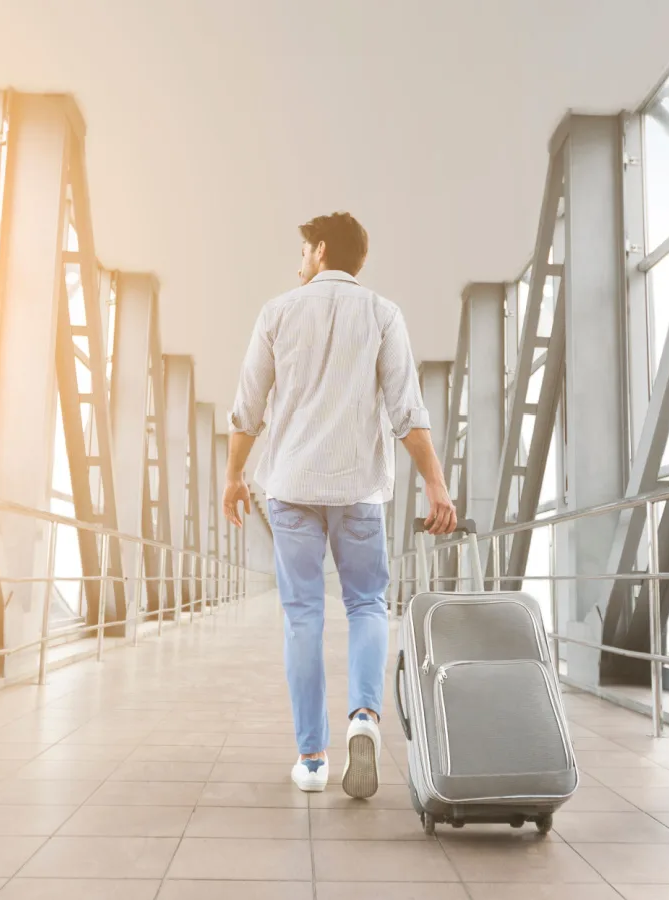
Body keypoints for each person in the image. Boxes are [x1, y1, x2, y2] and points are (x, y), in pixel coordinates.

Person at [223, 211, 457, 796]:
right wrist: (436, 484)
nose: (298, 262)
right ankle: (364, 718)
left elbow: (248, 408)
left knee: (302, 616)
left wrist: (233, 477)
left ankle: (310, 760)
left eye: (303, 251)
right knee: (367, 607)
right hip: (358, 490)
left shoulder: (277, 312)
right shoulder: (383, 314)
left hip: (292, 488)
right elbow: (407, 413)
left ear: (321, 250)